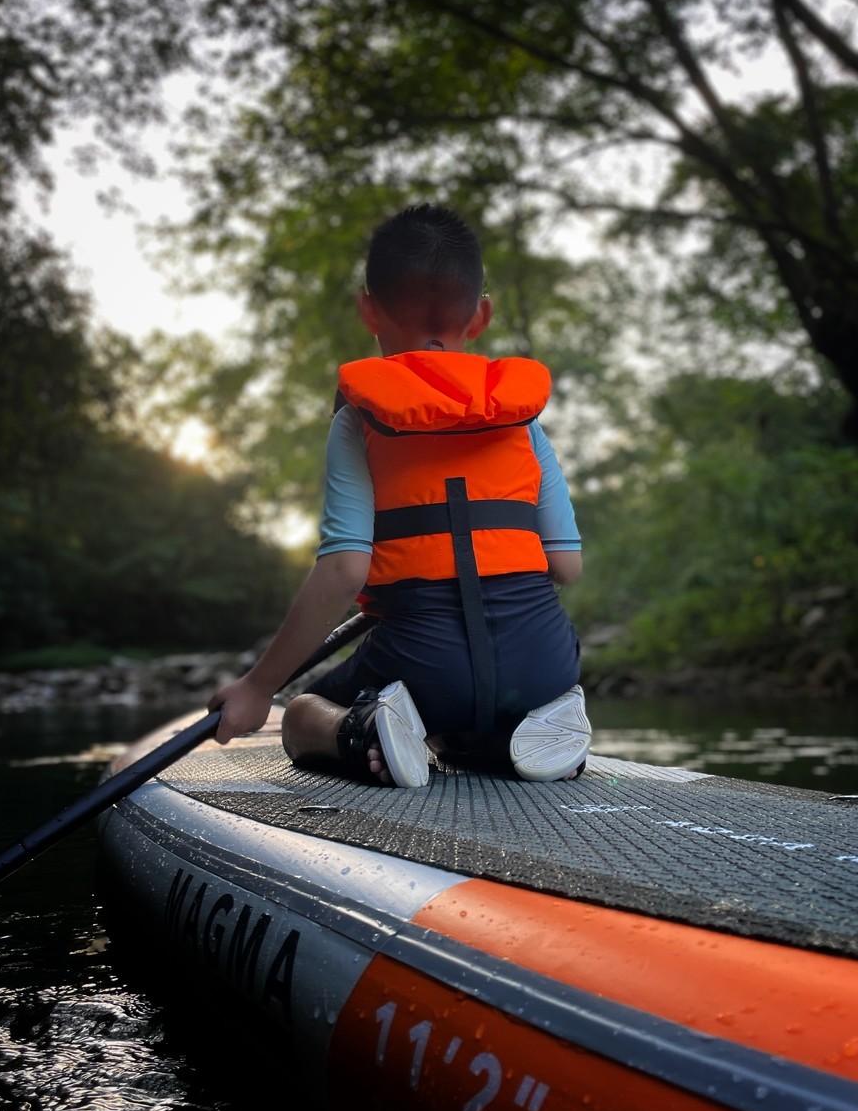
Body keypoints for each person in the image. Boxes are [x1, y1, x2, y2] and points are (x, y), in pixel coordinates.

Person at [209, 203, 590, 786]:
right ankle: (535, 726)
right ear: (480, 315)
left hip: (421, 662)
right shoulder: (522, 420)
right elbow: (566, 565)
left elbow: (342, 571)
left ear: (368, 308)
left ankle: (367, 734)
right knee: (464, 718)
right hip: (541, 662)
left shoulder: (359, 420)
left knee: (303, 714)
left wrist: (258, 687)